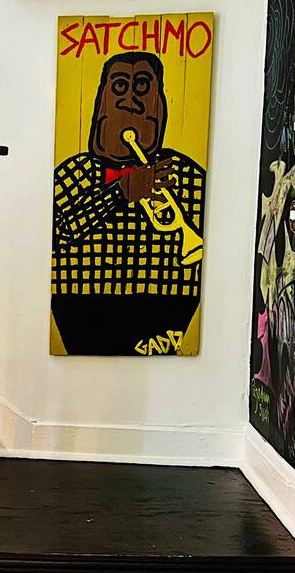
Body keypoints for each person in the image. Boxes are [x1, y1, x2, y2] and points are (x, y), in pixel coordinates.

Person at [50, 51, 206, 355]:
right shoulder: (72, 173)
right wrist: (120, 192)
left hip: (168, 301)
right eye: (119, 87)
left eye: (143, 88)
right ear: (101, 104)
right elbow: (62, 231)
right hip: (80, 299)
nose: (130, 102)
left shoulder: (185, 174)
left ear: (159, 106)